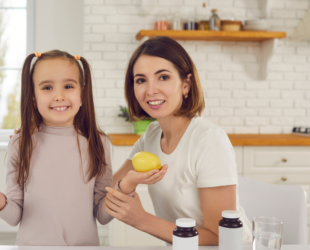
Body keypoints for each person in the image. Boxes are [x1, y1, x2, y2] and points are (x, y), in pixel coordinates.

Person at [0, 50, 116, 246]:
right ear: (32, 97)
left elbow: (103, 216)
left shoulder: (98, 143)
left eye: (69, 86)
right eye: (47, 87)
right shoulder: (20, 143)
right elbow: (13, 216)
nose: (58, 96)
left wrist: (127, 187)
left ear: (82, 93)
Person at [104, 36, 252, 246]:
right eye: (141, 80)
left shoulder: (208, 140)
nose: (151, 90)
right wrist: (127, 184)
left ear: (186, 84)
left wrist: (141, 220)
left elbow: (220, 236)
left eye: (163, 77)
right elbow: (108, 190)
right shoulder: (152, 135)